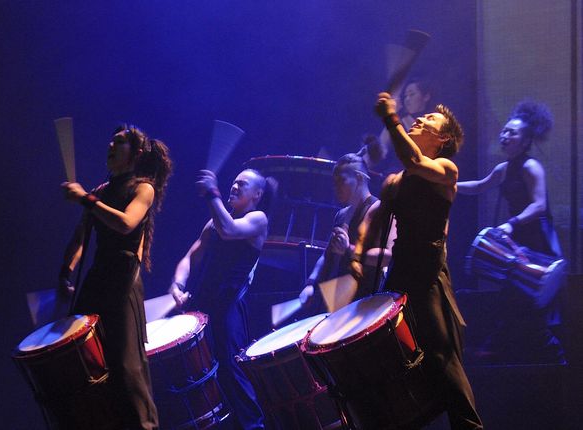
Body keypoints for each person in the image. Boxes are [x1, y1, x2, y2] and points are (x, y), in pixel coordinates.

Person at [361, 92, 482, 429]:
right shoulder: (397, 182)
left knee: (443, 359)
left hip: (428, 279)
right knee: (393, 362)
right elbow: (374, 219)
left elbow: (414, 160)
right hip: (400, 276)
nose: (420, 120)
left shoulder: (446, 168)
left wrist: (390, 118)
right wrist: (357, 254)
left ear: (442, 139)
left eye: (429, 120)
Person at [59, 125, 172, 430]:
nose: (110, 145)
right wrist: (65, 274)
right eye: (110, 141)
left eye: (119, 142)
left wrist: (85, 199)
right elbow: (80, 239)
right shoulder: (100, 191)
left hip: (123, 281)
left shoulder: (142, 188)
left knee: (126, 366)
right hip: (98, 278)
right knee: (84, 359)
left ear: (136, 153)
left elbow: (126, 224)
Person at [457, 100, 564, 364]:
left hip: (538, 239)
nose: (505, 136)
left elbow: (539, 205)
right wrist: (448, 183)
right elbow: (480, 185)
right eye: (504, 131)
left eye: (512, 133)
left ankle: (555, 359)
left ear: (526, 140)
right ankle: (509, 350)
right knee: (515, 298)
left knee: (532, 299)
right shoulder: (504, 169)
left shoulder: (531, 167)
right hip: (519, 239)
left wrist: (511, 224)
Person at [168, 168, 276, 429]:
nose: (235, 186)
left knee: (231, 369)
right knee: (198, 373)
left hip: (229, 306)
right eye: (234, 182)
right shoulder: (213, 223)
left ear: (257, 194)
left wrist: (212, 192)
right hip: (203, 306)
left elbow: (229, 230)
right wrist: (177, 284)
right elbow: (190, 256)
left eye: (243, 183)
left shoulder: (258, 219)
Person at [297, 153, 396, 317]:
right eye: (334, 182)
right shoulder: (341, 215)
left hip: (365, 303)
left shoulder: (381, 210)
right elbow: (327, 254)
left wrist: (349, 249)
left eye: (341, 181)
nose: (336, 187)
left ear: (359, 177)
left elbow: (389, 255)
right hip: (337, 300)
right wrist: (311, 283)